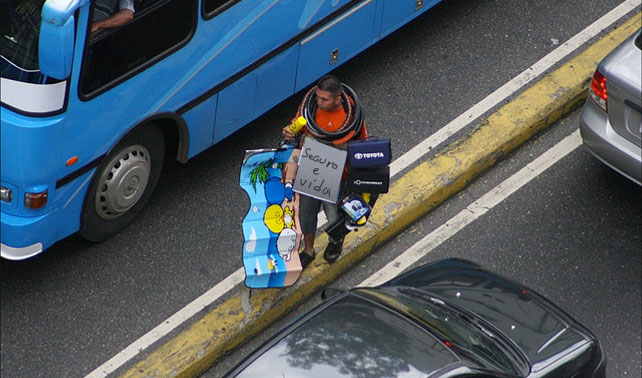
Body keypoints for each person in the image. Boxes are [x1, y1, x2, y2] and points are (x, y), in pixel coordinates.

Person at [282, 75, 368, 269]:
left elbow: (361, 144)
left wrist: (343, 148)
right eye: (318, 97)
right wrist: (290, 130)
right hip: (312, 169)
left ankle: (335, 242)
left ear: (338, 99)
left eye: (324, 99)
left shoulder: (351, 117)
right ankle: (309, 250)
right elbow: (298, 123)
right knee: (306, 214)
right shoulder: (311, 109)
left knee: (334, 218)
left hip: (336, 175)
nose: (319, 102)